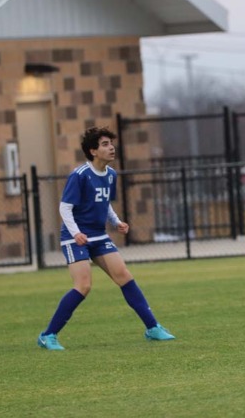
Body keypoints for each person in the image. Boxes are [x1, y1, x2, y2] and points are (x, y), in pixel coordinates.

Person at [37, 127, 174, 350]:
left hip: (99, 236)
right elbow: (65, 208)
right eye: (104, 144)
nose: (111, 148)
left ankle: (153, 328)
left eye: (111, 143)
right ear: (93, 151)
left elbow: (104, 202)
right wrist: (76, 233)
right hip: (75, 237)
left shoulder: (111, 174)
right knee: (83, 286)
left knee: (124, 276)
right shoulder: (80, 175)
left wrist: (116, 221)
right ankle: (48, 335)